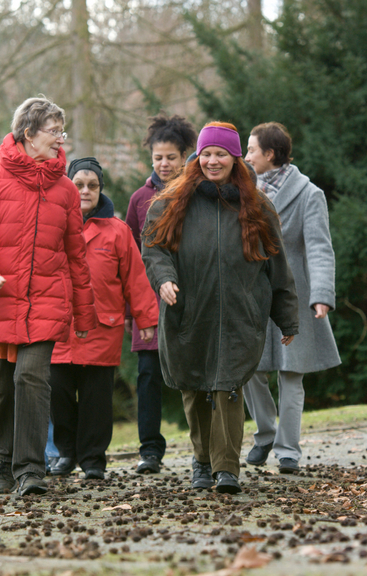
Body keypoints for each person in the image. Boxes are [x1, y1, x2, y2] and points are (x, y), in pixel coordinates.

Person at [142, 122, 299, 494]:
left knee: (228, 387)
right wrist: (163, 278)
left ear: (234, 159)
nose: (213, 161)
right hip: (188, 311)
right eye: (207, 154)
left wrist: (287, 316)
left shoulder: (257, 206)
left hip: (239, 313)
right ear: (198, 157)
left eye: (221, 155)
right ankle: (202, 460)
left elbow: (277, 264)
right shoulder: (171, 201)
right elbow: (154, 247)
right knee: (194, 386)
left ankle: (227, 468)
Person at [0, 97, 97, 497]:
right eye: (54, 131)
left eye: (61, 132)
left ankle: (31, 470)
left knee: (31, 377)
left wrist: (84, 317)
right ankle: (4, 459)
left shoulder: (67, 190)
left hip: (47, 305)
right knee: (1, 388)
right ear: (28, 133)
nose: (60, 139)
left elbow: (76, 257)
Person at [49, 157, 159, 480]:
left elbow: (135, 279)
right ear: (67, 186)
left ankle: (93, 459)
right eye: (78, 185)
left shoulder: (118, 232)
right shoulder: (54, 227)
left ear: (100, 189)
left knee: (97, 400)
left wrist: (146, 319)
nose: (85, 191)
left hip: (102, 328)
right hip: (60, 328)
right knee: (59, 394)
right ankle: (66, 453)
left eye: (92, 185)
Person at [242, 122, 341, 474]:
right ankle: (266, 431)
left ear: (270, 154)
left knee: (291, 374)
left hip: (294, 296)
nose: (245, 156)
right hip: (252, 295)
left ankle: (288, 451)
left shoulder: (309, 194)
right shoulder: (243, 190)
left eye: (251, 150)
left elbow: (319, 247)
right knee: (248, 369)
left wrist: (322, 295)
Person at [125, 113, 198, 475]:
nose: (164, 164)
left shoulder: (199, 193)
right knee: (149, 378)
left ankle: (205, 447)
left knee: (197, 377)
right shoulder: (139, 199)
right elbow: (130, 260)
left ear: (185, 155)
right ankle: (150, 451)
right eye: (158, 158)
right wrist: (132, 311)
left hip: (193, 300)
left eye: (171, 157)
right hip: (148, 307)